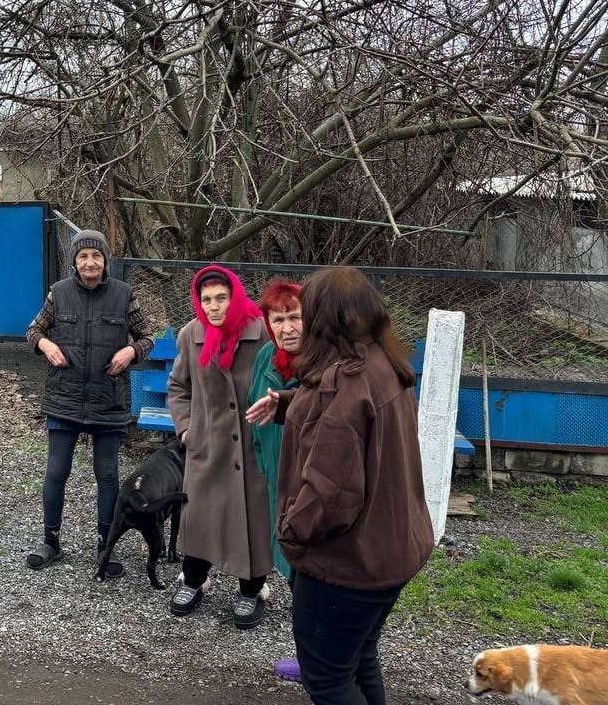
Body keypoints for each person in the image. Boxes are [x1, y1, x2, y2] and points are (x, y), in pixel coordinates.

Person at [255, 266, 434, 705]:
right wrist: (289, 403)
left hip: (346, 566)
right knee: (359, 660)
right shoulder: (383, 364)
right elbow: (346, 414)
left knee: (329, 680)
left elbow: (330, 494)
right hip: (391, 552)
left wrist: (291, 536)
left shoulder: (344, 386)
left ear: (323, 319)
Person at [24, 229, 155, 577]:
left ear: (105, 261)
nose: (90, 262)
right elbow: (33, 331)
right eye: (83, 256)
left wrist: (131, 351)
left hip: (107, 400)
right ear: (75, 261)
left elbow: (148, 338)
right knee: (56, 471)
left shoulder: (124, 295)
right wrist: (45, 345)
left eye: (96, 256)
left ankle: (105, 547)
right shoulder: (59, 293)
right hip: (64, 398)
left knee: (108, 474)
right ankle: (51, 542)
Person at [166, 264, 271, 628]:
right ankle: (194, 580)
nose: (213, 306)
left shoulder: (262, 332)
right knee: (200, 516)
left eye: (221, 298)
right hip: (208, 444)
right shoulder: (191, 335)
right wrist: (186, 429)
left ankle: (252, 590)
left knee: (252, 518)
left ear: (235, 297)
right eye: (206, 299)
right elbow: (178, 387)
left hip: (252, 446)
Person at [245, 279, 304, 683]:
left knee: (313, 571)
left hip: (312, 479)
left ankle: (322, 659)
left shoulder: (322, 360)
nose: (287, 328)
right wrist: (264, 461)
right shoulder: (267, 355)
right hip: (277, 478)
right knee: (291, 566)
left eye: (294, 317)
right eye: (278, 320)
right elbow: (254, 411)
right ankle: (309, 654)